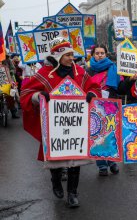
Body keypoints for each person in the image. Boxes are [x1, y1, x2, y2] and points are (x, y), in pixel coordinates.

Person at [20, 37, 101, 207]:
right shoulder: (44, 73)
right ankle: (55, 180)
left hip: (77, 123)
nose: (72, 58)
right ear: (58, 56)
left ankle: (72, 193)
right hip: (54, 124)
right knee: (56, 157)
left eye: (72, 55)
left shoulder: (79, 71)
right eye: (68, 55)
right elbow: (27, 93)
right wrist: (38, 96)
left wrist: (91, 95)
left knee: (76, 158)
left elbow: (94, 87)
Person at [87, 44, 135, 176]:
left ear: (106, 54)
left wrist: (130, 80)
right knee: (97, 135)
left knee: (111, 133)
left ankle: (112, 162)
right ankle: (102, 165)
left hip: (110, 105)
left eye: (102, 53)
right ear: (93, 55)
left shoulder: (113, 68)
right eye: (97, 53)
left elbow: (121, 89)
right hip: (94, 106)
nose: (100, 55)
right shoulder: (88, 70)